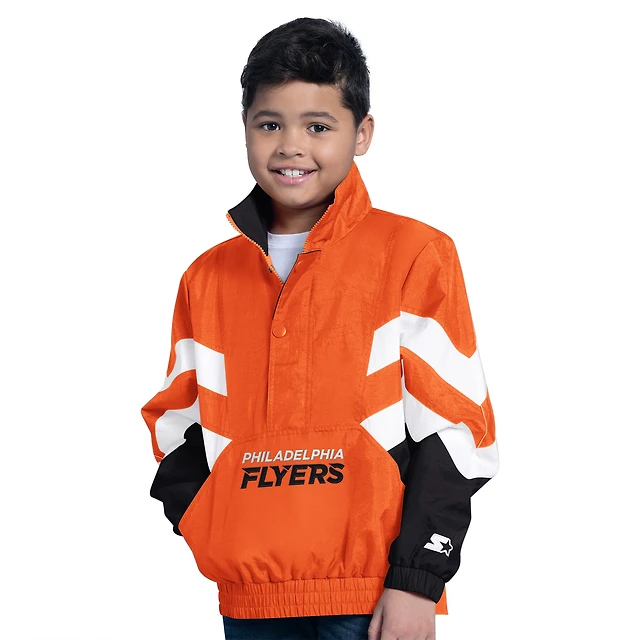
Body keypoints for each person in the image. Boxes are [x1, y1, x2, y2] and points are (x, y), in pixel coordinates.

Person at [140, 16, 499, 640]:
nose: (291, 146)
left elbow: (458, 428)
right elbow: (176, 424)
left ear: (362, 134)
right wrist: (212, 529)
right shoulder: (207, 276)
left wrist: (418, 580)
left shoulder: (415, 254)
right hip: (248, 601)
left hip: (373, 597)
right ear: (245, 128)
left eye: (318, 126)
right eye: (269, 124)